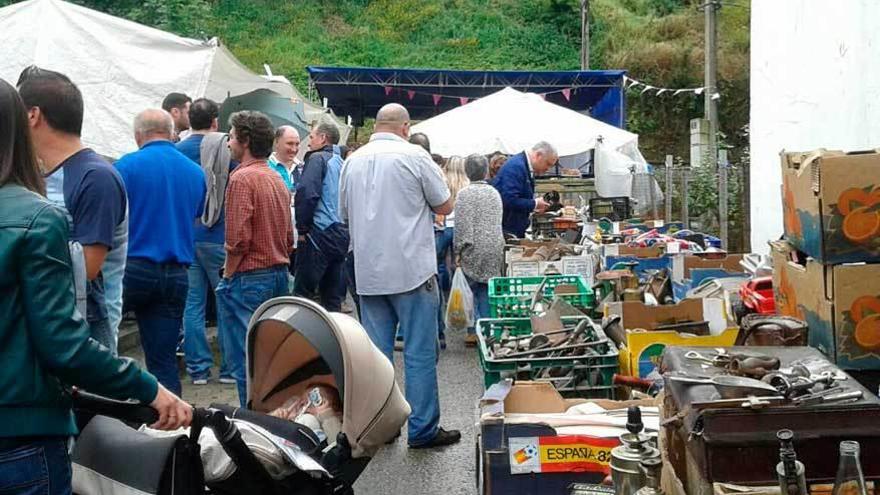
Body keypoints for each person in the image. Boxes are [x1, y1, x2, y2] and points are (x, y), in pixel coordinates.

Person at [0, 77, 191, 494]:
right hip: (22, 428)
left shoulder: (97, 176)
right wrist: (146, 389)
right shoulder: (34, 214)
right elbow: (62, 339)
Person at [339, 103, 461, 449]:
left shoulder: (352, 161)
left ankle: (383, 426)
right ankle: (422, 429)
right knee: (419, 353)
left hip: (369, 271)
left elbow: (343, 214)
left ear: (377, 125)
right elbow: (444, 206)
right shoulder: (415, 157)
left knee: (377, 357)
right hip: (411, 269)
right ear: (405, 127)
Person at [17, 66, 127, 354]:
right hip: (49, 323)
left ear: (32, 115)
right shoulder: (42, 173)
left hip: (82, 332)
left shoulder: (96, 177)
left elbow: (88, 267)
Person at [115, 109, 207, 396]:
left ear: (137, 134)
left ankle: (102, 420)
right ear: (170, 133)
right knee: (163, 361)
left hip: (133, 267)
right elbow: (196, 215)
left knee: (101, 343)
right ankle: (169, 429)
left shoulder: (124, 167)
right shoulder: (195, 172)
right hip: (176, 273)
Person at [217, 110, 293, 405]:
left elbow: (237, 240)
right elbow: (288, 236)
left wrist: (228, 275)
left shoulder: (242, 179)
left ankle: (253, 428)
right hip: (277, 273)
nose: (228, 143)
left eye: (232, 136)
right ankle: (274, 421)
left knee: (245, 364)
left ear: (245, 140)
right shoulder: (276, 178)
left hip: (249, 277)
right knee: (271, 362)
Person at [176, 98, 237, 386]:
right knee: (225, 302)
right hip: (219, 236)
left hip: (187, 236)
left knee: (192, 304)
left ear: (190, 121)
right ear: (216, 120)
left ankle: (198, 369)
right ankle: (228, 370)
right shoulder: (227, 149)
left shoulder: (178, 151)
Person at [293, 122, 349, 312]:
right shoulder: (342, 162)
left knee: (303, 297)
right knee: (332, 296)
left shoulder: (317, 159)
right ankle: (336, 339)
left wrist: (302, 229)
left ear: (323, 138)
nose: (308, 142)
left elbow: (308, 193)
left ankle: (300, 340)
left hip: (318, 234)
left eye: (311, 137)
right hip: (341, 234)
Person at [454, 155, 504, 347]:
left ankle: (473, 330)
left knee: (470, 289)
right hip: (493, 246)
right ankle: (489, 329)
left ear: (467, 172)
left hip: (473, 247)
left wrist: (457, 251)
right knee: (486, 289)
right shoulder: (494, 193)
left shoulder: (464, 194)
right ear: (485, 171)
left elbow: (462, 227)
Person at [435, 156, 469, 347]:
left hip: (443, 227)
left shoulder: (442, 180)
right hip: (458, 228)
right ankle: (460, 303)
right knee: (458, 266)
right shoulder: (467, 183)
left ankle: (442, 291)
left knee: (439, 263)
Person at [492, 142, 557, 238]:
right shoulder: (516, 167)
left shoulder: (522, 166)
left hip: (513, 229)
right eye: (548, 164)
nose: (547, 169)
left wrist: (534, 205)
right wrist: (534, 204)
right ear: (538, 155)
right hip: (507, 231)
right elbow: (508, 199)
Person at [268, 125, 302, 193]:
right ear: (276, 142)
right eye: (290, 143)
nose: (294, 149)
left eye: (297, 144)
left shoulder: (302, 168)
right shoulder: (266, 166)